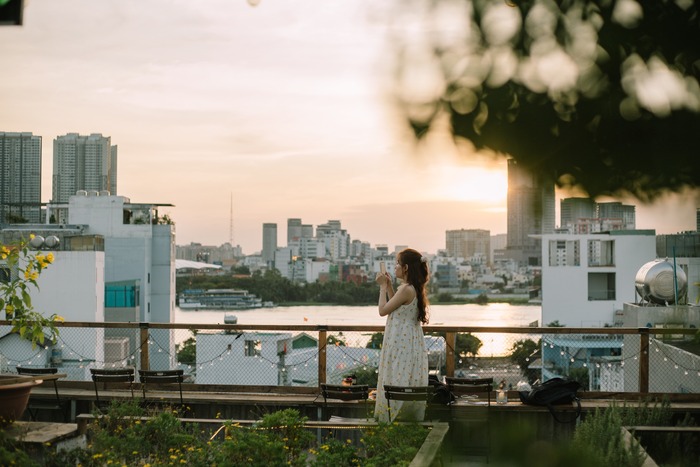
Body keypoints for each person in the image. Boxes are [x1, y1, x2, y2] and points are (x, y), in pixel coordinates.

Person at [373, 248, 430, 423]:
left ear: (405, 268)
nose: (395, 266)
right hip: (407, 341)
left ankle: (390, 417)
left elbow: (383, 310)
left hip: (400, 342)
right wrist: (389, 286)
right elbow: (396, 307)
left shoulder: (406, 289)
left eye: (398, 263)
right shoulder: (409, 288)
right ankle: (400, 416)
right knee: (402, 376)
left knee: (396, 374)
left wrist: (382, 288)